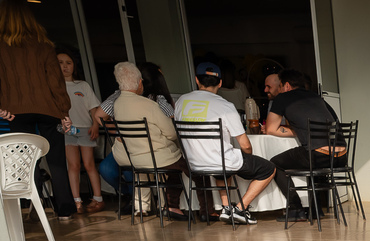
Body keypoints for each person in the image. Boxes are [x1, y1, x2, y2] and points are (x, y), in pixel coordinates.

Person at [175, 61, 277, 225]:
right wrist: (246, 157)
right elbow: (245, 145)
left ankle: (226, 207)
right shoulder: (224, 106)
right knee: (268, 168)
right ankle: (240, 209)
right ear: (220, 82)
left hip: (193, 164)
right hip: (219, 162)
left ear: (196, 80)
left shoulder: (181, 102)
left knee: (223, 160)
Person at [0, 0, 75, 220]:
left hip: (16, 110)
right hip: (48, 109)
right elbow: (56, 83)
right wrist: (64, 112)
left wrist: (2, 107)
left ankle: (34, 205)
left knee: (25, 158)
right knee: (57, 160)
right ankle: (65, 210)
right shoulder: (44, 45)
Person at [109, 61, 195, 219]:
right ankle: (175, 207)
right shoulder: (149, 105)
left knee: (169, 168)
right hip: (158, 159)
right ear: (139, 82)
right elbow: (171, 133)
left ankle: (146, 207)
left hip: (135, 160)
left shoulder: (117, 105)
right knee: (189, 167)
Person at [262, 68, 343, 222]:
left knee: (274, 164)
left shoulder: (283, 98)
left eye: (279, 87)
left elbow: (271, 129)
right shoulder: (316, 97)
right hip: (340, 156)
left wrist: (295, 131)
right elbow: (334, 123)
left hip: (318, 155)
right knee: (312, 160)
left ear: (285, 86)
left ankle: (295, 209)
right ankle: (316, 209)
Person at [55, 49, 104, 214]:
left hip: (86, 129)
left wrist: (95, 125)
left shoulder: (82, 85)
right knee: (73, 165)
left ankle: (98, 198)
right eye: (60, 63)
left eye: (68, 63)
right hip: (65, 130)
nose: (65, 66)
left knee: (89, 164)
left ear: (74, 65)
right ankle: (77, 201)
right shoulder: (54, 87)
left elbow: (93, 108)